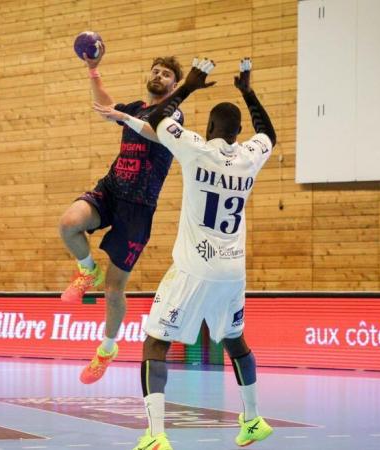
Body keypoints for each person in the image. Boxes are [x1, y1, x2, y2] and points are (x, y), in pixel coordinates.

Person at [131, 56, 276, 450]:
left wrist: (191, 85)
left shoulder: (194, 147)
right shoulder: (249, 156)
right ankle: (253, 420)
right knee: (235, 340)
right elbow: (269, 133)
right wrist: (248, 91)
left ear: (209, 128)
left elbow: (157, 117)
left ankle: (155, 435)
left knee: (155, 344)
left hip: (195, 268)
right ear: (238, 132)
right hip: (233, 272)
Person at [59, 41, 184, 384]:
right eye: (156, 70)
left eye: (167, 74)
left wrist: (123, 116)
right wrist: (93, 69)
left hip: (139, 209)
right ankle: (86, 270)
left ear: (174, 85)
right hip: (111, 189)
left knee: (114, 289)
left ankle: (107, 348)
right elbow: (104, 104)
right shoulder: (137, 107)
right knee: (69, 224)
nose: (159, 75)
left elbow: (156, 134)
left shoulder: (172, 115)